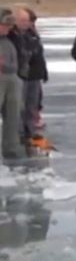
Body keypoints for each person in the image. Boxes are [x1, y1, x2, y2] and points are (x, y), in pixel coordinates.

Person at [13, 8, 47, 142]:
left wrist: (43, 72)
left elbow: (39, 54)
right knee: (20, 105)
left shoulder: (32, 34)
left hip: (34, 75)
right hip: (20, 75)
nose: (26, 23)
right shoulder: (13, 35)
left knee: (32, 105)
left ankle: (30, 131)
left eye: (27, 21)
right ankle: (20, 132)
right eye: (22, 21)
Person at [0, 9, 24, 160]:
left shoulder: (10, 40)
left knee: (13, 115)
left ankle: (11, 148)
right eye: (5, 25)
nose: (8, 28)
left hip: (12, 78)